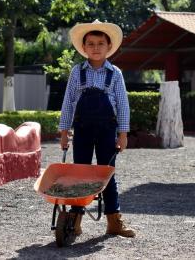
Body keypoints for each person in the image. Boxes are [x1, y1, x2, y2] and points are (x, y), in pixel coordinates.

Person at [59, 19, 135, 238]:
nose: (95, 48)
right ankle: (75, 221)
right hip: (82, 130)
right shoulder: (77, 72)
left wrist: (123, 134)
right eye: (90, 44)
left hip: (106, 131)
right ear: (83, 48)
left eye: (100, 43)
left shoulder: (115, 73)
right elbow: (68, 103)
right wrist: (64, 133)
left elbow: (122, 105)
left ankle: (114, 221)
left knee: (107, 174)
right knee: (80, 175)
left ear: (108, 46)